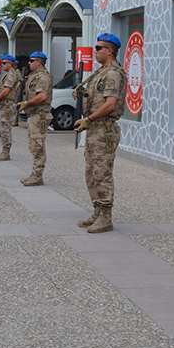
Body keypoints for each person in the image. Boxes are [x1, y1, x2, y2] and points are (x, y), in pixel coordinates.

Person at [74, 33, 128, 234]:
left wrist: (89, 119)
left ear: (110, 50)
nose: (95, 51)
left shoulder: (113, 74)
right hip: (95, 128)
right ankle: (97, 211)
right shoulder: (101, 72)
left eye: (98, 48)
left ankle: (106, 216)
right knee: (91, 173)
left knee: (102, 173)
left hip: (103, 129)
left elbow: (110, 104)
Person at [19, 52, 52, 185]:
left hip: (40, 115)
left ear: (39, 62)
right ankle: (34, 174)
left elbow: (42, 96)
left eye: (32, 61)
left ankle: (38, 176)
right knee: (34, 145)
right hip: (34, 115)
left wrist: (27, 103)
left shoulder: (43, 77)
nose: (29, 63)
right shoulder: (34, 76)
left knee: (38, 146)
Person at [0, 55, 21, 161]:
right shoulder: (5, 75)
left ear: (10, 64)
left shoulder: (11, 74)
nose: (2, 65)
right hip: (3, 104)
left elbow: (6, 91)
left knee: (5, 128)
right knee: (1, 128)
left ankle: (6, 152)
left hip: (7, 105)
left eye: (5, 63)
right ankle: (4, 150)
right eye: (2, 63)